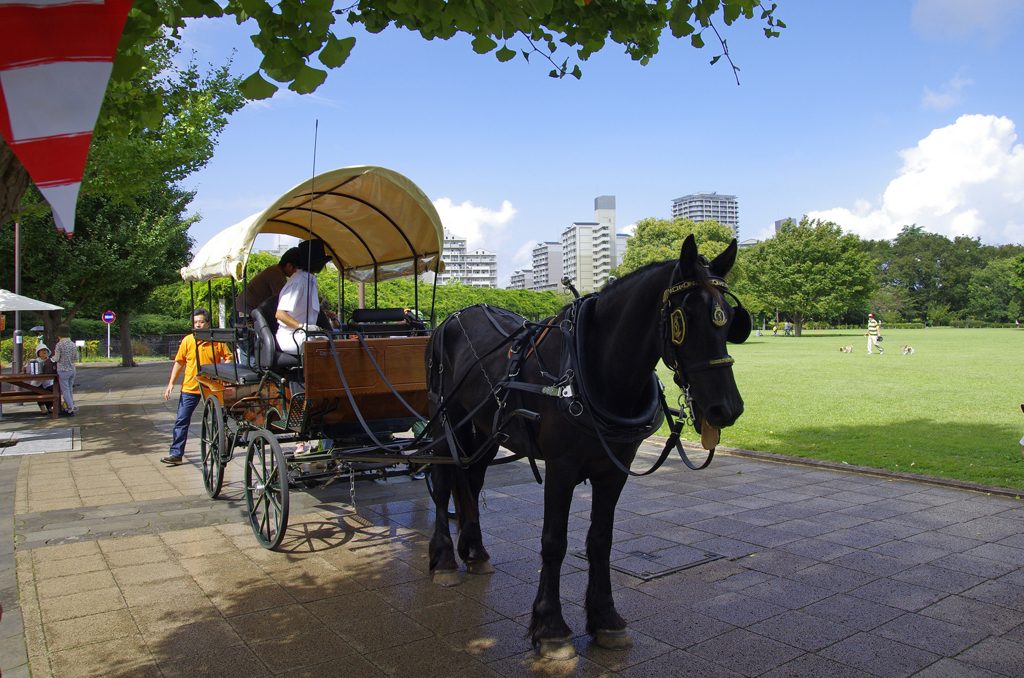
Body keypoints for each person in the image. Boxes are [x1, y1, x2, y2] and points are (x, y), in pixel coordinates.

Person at [162, 308, 233, 465]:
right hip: (190, 387)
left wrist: (224, 373)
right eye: (195, 322)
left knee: (218, 420)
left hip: (212, 387)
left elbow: (229, 357)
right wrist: (171, 383)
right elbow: (179, 362)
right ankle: (176, 454)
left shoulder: (216, 340)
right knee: (181, 419)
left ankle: (220, 449)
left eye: (201, 322)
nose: (198, 325)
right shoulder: (188, 340)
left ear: (208, 323)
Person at [275, 239, 332, 356]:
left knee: (333, 343)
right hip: (291, 336)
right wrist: (303, 327)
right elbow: (280, 314)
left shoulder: (308, 281)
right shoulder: (298, 282)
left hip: (304, 335)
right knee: (322, 346)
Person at [235, 247, 301, 318]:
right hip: (244, 314)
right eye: (297, 269)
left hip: (244, 311)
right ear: (289, 266)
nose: (297, 273)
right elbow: (281, 302)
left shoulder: (277, 271)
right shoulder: (276, 274)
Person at [52, 326, 78, 415]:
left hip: (63, 370)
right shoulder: (72, 344)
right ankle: (70, 405)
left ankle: (70, 407)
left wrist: (52, 357)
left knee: (65, 390)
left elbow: (56, 358)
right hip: (72, 369)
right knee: (70, 389)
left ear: (59, 336)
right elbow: (76, 357)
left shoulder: (59, 345)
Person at [29, 344, 57, 413]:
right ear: (38, 353)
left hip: (47, 382)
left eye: (45, 350)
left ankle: (50, 407)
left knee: (51, 390)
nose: (44, 352)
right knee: (38, 390)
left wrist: (48, 362)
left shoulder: (51, 361)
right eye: (41, 351)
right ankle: (42, 408)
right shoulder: (35, 361)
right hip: (37, 382)